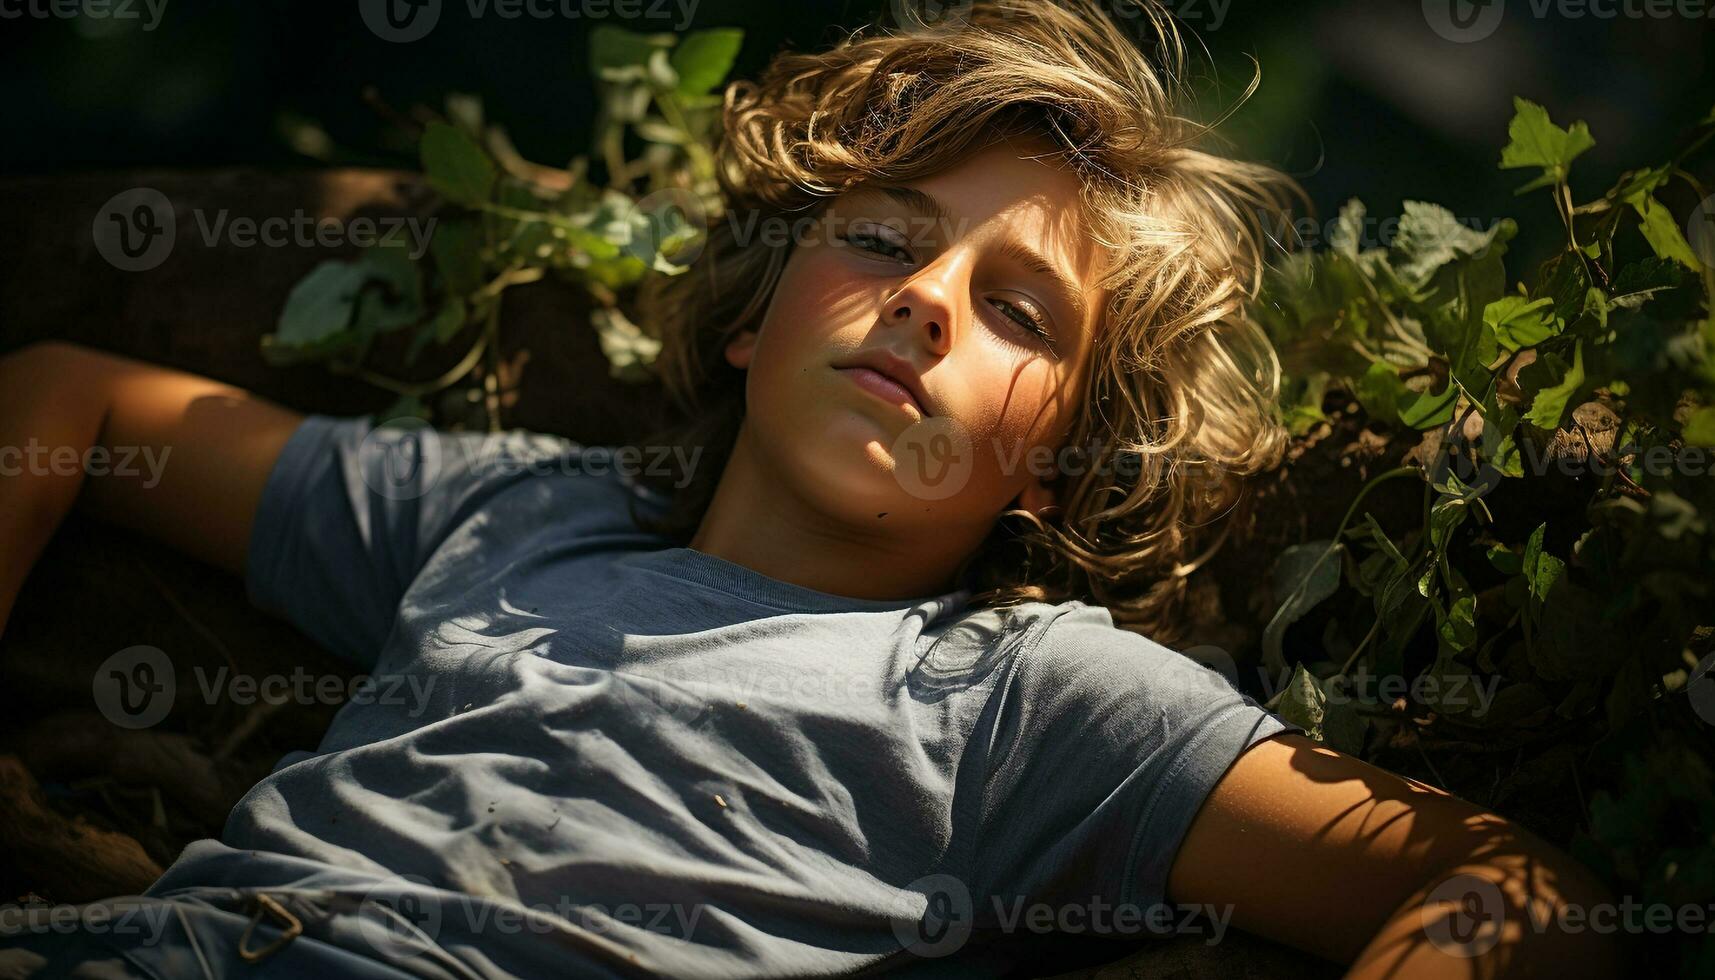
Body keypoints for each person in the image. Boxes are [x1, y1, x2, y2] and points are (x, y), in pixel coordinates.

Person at [0, 1, 1621, 977]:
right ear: (756, 314)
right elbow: (63, 396)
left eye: (1018, 309)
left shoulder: (1014, 696)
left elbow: (1518, 887)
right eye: (884, 239)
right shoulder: (521, 516)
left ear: (1060, 458)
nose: (926, 299)